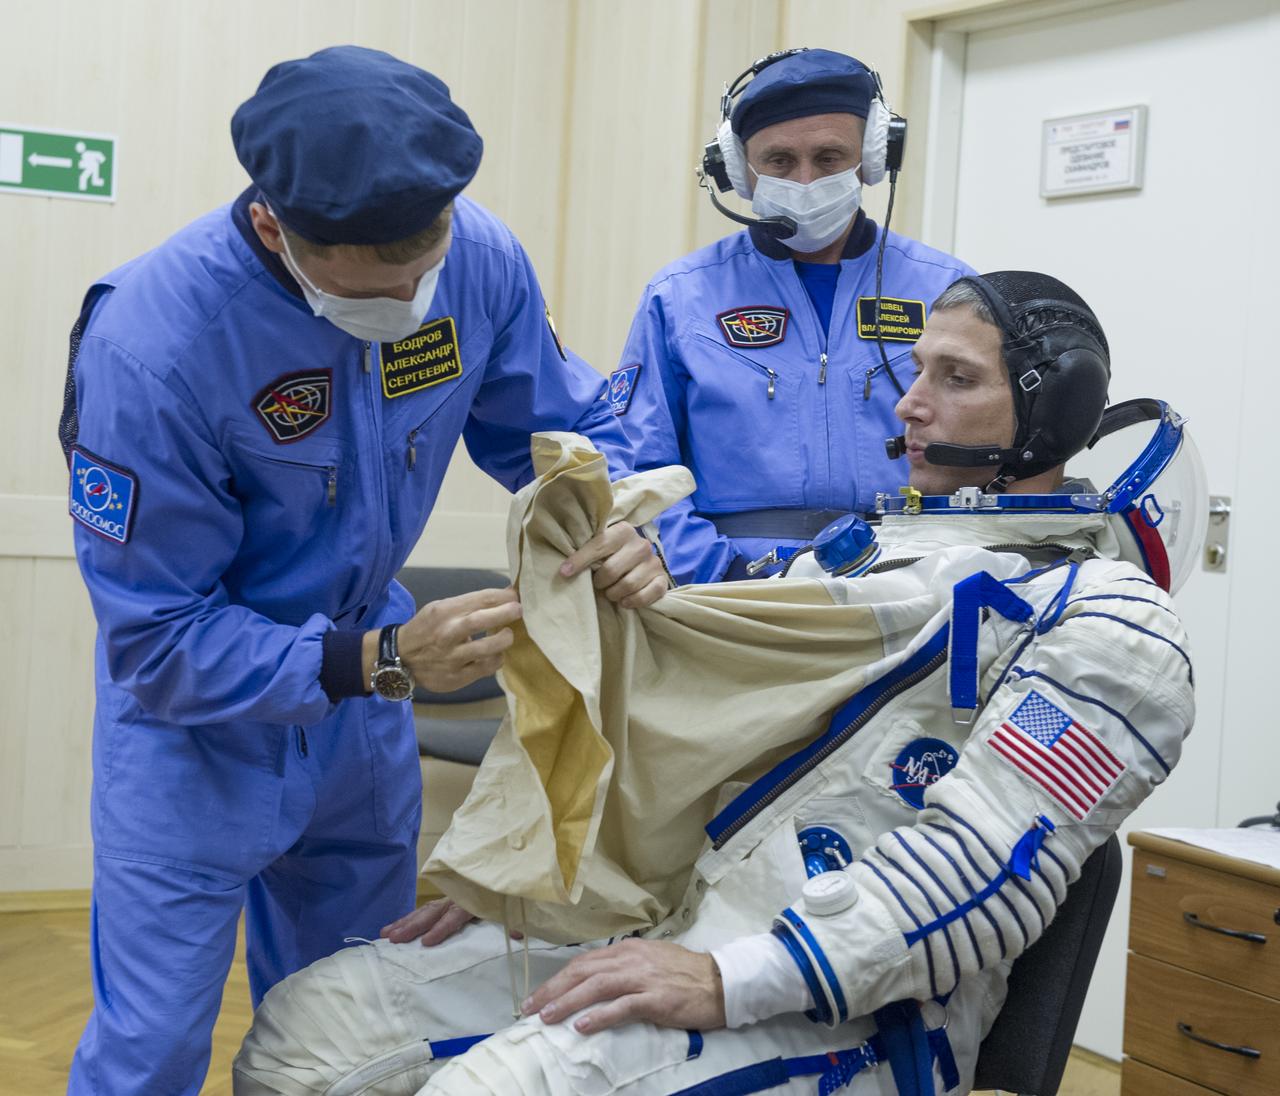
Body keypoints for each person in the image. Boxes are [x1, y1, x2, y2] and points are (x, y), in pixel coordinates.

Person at [232, 271, 1202, 1094]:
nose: (908, 404)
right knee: (308, 1024)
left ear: (1047, 413)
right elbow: (686, 712)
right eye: (914, 372)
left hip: (846, 1004)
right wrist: (523, 878)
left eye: (954, 379)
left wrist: (725, 980)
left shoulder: (1106, 629)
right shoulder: (870, 557)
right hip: (672, 916)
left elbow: (981, 872)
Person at [59, 46, 667, 1096]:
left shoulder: (476, 261)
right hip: (196, 738)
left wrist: (627, 517)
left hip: (359, 741)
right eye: (368, 286)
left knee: (354, 1026)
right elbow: (155, 636)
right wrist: (379, 656)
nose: (404, 298)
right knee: (152, 1047)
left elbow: (566, 428)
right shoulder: (151, 346)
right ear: (271, 226)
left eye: (418, 268)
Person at [609, 48, 974, 584]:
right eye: (779, 161)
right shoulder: (680, 296)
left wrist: (932, 564)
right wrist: (713, 572)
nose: (805, 181)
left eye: (829, 157)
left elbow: (986, 453)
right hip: (731, 586)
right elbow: (640, 466)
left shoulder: (946, 290)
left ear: (873, 160)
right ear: (740, 170)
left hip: (908, 577)